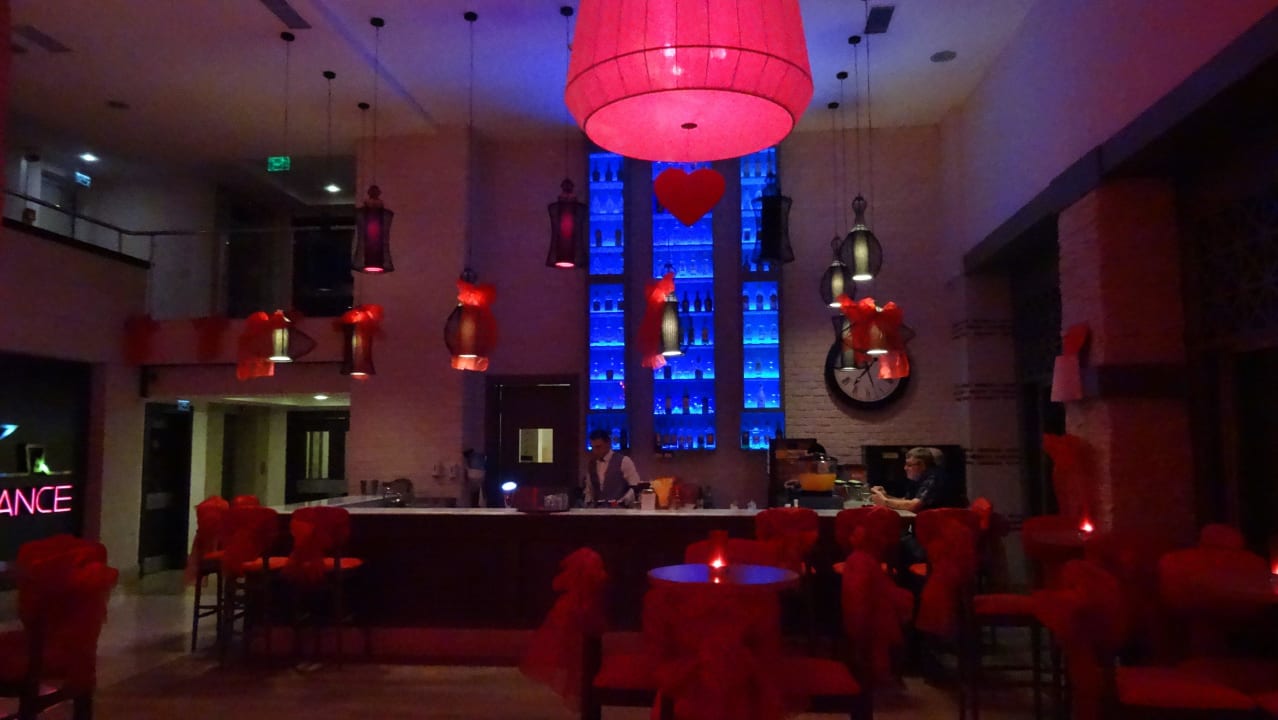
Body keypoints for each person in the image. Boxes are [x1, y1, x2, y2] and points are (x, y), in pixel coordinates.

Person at [869, 447, 956, 513]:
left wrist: (885, 501)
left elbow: (914, 506)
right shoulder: (918, 477)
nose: (905, 468)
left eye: (909, 465)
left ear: (922, 465)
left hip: (941, 525)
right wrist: (885, 496)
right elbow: (906, 501)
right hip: (927, 523)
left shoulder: (934, 477)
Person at [582, 428, 641, 506]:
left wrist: (623, 502)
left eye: (598, 447)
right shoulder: (592, 464)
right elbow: (589, 490)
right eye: (593, 447)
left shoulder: (624, 461)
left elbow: (635, 486)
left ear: (608, 444)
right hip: (597, 510)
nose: (595, 451)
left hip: (619, 510)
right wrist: (587, 505)